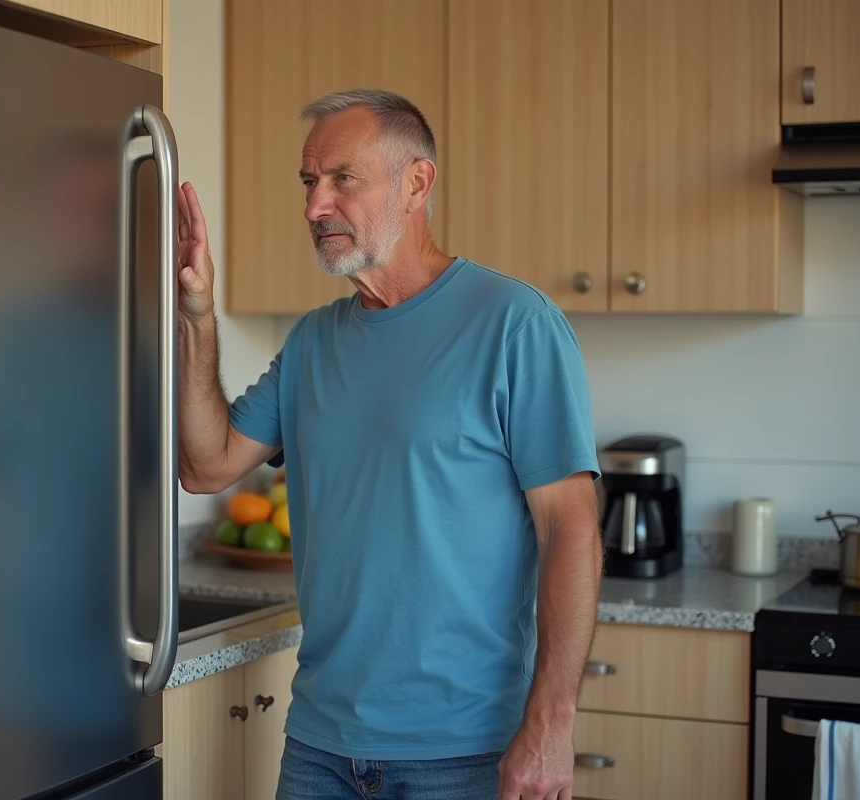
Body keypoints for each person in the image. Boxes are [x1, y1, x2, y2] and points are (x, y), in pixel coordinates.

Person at [176, 88, 603, 800]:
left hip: (465, 753)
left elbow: (572, 530)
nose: (316, 205)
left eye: (343, 178)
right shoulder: (312, 343)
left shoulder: (514, 324)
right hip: (319, 747)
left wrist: (553, 720)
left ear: (416, 183)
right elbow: (206, 465)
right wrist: (196, 315)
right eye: (310, 182)